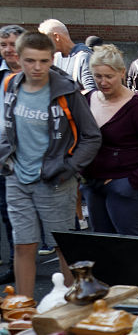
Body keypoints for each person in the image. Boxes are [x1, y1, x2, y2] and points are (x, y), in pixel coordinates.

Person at [0, 32, 101, 296]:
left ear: (52, 58)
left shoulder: (66, 89)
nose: (37, 67)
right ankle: (23, 313)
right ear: (18, 59)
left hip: (55, 180)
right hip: (17, 178)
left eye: (43, 61)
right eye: (30, 60)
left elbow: (92, 136)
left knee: (63, 248)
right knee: (24, 245)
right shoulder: (10, 85)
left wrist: (68, 168)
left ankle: (70, 310)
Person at [81, 45, 138, 236]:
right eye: (97, 76)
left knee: (129, 250)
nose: (103, 82)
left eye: (108, 76)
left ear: (121, 73)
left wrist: (132, 182)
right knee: (103, 247)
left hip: (127, 185)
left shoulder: (137, 106)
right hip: (93, 186)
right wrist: (81, 175)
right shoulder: (87, 100)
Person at [0, 24, 25, 283]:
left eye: (13, 44)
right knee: (9, 215)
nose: (8, 50)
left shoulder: (43, 76)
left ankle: (71, 272)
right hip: (4, 161)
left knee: (55, 224)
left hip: (39, 161)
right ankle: (15, 265)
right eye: (3, 44)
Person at [38, 19, 96, 91]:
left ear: (57, 37)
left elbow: (91, 92)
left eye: (46, 40)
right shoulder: (56, 58)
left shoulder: (84, 56)